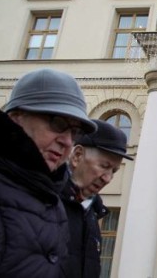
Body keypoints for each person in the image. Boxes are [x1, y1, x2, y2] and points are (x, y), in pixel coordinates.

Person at [0, 68, 96, 278]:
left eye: (74, 132)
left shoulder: (54, 200)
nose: (68, 141)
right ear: (15, 118)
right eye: (58, 123)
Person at [61, 119, 134, 278]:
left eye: (114, 171)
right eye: (104, 166)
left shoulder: (93, 214)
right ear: (77, 156)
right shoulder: (45, 201)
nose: (108, 178)